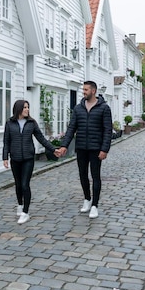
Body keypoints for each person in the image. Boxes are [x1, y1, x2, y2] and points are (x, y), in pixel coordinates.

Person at [57, 81, 112, 219]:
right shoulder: (78, 108)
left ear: (93, 91)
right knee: (82, 175)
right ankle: (87, 199)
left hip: (96, 148)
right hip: (81, 147)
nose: (84, 92)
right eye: (83, 89)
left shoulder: (104, 108)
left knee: (95, 176)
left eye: (86, 89)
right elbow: (71, 128)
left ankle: (95, 205)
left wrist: (104, 149)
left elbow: (108, 130)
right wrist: (64, 145)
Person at [3, 99, 58, 224]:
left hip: (28, 158)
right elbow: (6, 141)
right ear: (18, 109)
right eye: (25, 107)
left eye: (28, 107)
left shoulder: (32, 123)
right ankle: (20, 204)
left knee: (24, 185)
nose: (27, 109)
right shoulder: (9, 123)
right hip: (15, 158)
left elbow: (41, 138)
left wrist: (53, 149)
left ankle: (25, 212)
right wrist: (5, 157)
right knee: (17, 185)